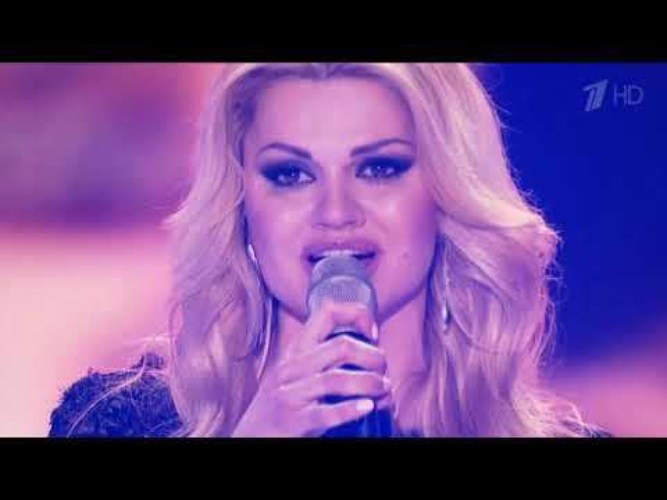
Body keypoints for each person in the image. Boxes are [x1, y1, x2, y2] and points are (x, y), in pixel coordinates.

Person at [49, 63, 609, 438]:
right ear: (241, 206)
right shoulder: (113, 422)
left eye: (379, 168)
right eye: (291, 174)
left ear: (445, 196)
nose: (335, 211)